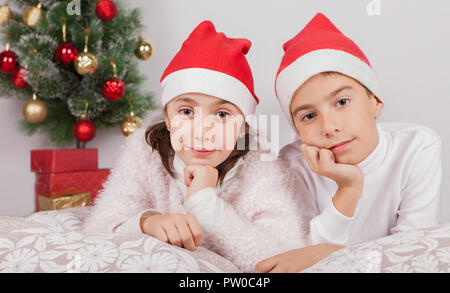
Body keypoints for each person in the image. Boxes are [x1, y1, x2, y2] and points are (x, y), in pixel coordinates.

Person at [82, 20, 306, 273]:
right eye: (186, 111)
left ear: (244, 126)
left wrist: (205, 203)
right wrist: (147, 222)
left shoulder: (262, 167)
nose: (202, 131)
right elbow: (101, 225)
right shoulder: (146, 151)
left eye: (222, 114)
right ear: (167, 118)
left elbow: (281, 257)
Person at [255, 12, 442, 273]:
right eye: (309, 116)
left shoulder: (417, 147)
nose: (330, 127)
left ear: (375, 101)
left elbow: (412, 251)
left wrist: (333, 253)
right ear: (298, 132)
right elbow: (302, 256)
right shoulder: (292, 164)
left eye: (342, 102)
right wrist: (348, 187)